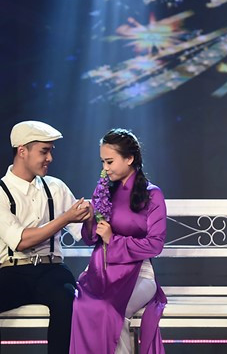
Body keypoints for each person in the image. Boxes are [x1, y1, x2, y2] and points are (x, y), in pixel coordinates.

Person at [0, 120, 92, 354]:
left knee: (66, 297)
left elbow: (85, 235)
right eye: (44, 151)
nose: (50, 158)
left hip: (52, 269)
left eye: (50, 151)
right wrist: (65, 218)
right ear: (22, 151)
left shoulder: (56, 187)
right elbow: (21, 241)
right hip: (14, 272)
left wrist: (92, 217)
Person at [70, 128, 167, 354]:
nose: (105, 168)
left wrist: (113, 240)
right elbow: (90, 239)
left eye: (110, 162)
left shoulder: (152, 195)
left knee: (111, 309)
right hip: (102, 272)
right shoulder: (104, 191)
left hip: (139, 275)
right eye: (103, 162)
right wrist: (89, 220)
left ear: (129, 158)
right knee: (80, 306)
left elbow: (155, 244)